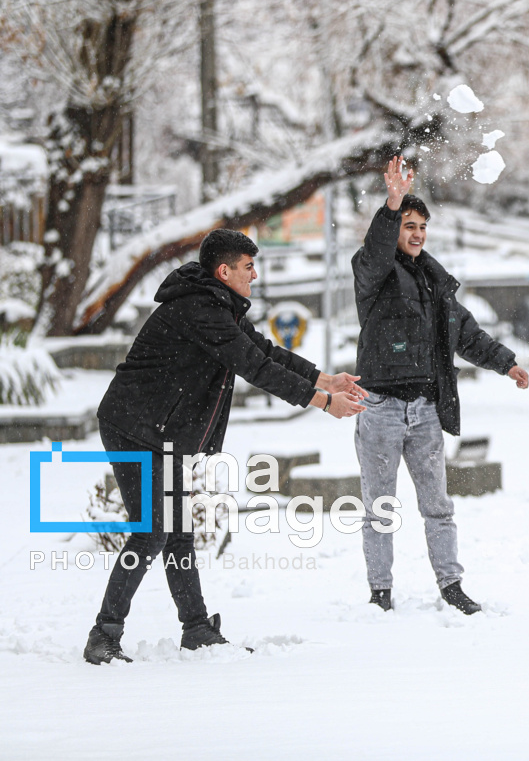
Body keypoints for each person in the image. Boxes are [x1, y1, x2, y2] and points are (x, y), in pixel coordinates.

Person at [84, 229, 366, 665]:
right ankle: (104, 633)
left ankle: (196, 628)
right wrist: (323, 402)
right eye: (249, 267)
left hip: (163, 431)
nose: (255, 275)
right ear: (225, 270)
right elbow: (254, 367)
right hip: (133, 428)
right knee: (152, 529)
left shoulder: (220, 306)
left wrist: (325, 380)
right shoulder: (200, 310)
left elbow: (264, 350)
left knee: (176, 531)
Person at [353, 156, 529, 614]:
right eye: (408, 225)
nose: (415, 234)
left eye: (421, 227)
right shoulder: (373, 275)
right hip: (382, 408)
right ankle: (380, 593)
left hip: (426, 410)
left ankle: (451, 586)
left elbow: (465, 332)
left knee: (438, 506)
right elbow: (373, 251)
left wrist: (506, 364)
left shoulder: (434, 282)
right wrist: (390, 204)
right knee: (380, 508)